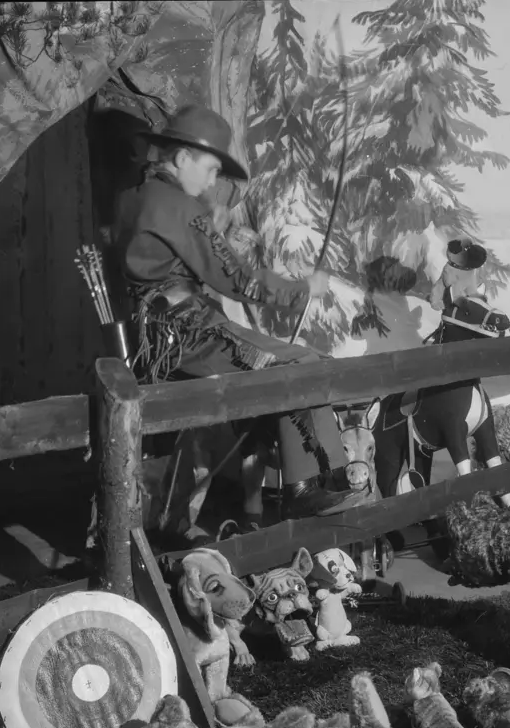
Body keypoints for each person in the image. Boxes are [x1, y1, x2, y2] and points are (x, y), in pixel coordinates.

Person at [113, 104, 367, 523]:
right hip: (187, 332)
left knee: (293, 367)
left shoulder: (135, 198)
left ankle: (304, 483)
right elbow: (238, 281)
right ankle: (308, 488)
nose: (213, 181)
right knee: (303, 365)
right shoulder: (176, 206)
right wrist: (302, 289)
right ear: (182, 158)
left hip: (161, 333)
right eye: (211, 169)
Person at [430, 238, 488, 312]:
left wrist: (474, 295)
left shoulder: (469, 269)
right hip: (443, 298)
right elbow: (450, 286)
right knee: (441, 290)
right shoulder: (451, 268)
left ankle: (471, 298)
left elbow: (470, 285)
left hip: (461, 294)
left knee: (470, 285)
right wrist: (458, 299)